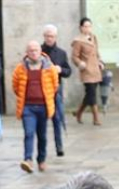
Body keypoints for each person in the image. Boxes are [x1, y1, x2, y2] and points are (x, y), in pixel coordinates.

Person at [13, 40, 58, 173]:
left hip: (43, 106)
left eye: (36, 50)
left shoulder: (49, 67)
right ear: (27, 53)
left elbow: (55, 85)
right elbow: (15, 86)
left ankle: (41, 160)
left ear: (40, 51)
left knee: (42, 135)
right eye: (31, 50)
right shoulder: (20, 68)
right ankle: (28, 159)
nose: (33, 53)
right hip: (28, 107)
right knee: (28, 133)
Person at [40, 25, 71, 157]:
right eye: (47, 36)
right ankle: (42, 148)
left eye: (51, 36)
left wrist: (61, 70)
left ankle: (59, 146)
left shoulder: (61, 53)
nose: (49, 38)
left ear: (55, 37)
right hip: (41, 91)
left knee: (57, 118)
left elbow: (68, 71)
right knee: (41, 120)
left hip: (56, 90)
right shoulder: (38, 51)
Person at [70, 18, 103, 127]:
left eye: (89, 26)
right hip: (86, 70)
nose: (87, 28)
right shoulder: (78, 41)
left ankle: (78, 113)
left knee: (89, 94)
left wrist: (100, 62)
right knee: (92, 93)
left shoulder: (93, 37)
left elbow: (96, 52)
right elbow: (74, 56)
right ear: (81, 27)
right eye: (85, 26)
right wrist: (80, 63)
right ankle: (96, 118)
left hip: (95, 70)